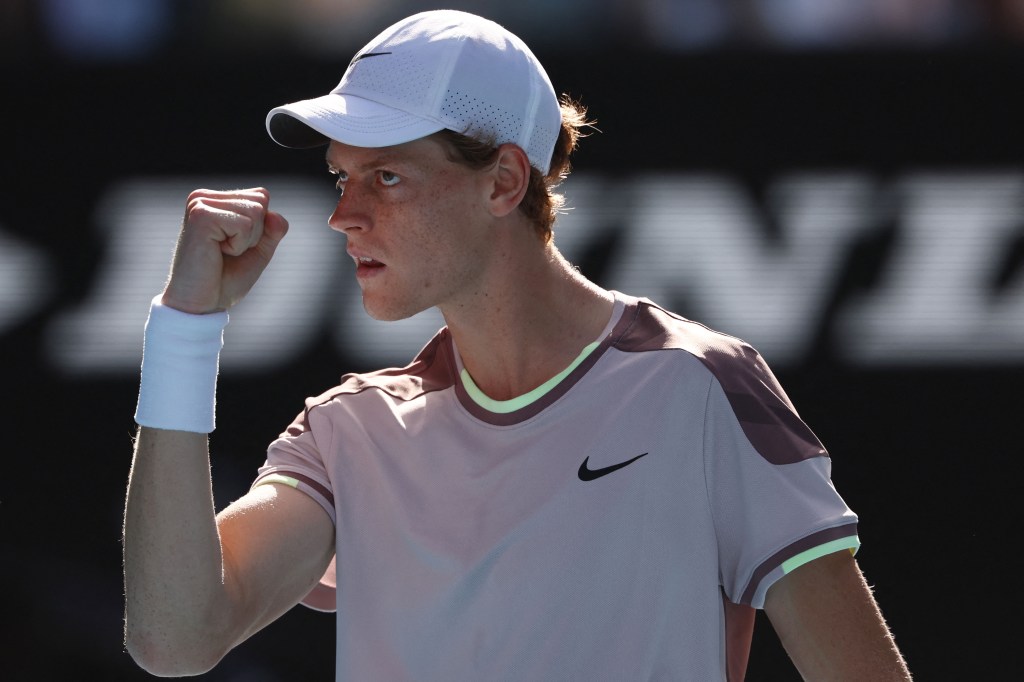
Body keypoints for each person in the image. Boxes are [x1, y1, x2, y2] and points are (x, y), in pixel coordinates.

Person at [122, 9, 912, 681]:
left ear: (503, 182)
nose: (345, 215)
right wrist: (185, 329)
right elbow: (175, 638)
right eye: (341, 178)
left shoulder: (700, 388)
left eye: (386, 177)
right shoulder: (345, 433)